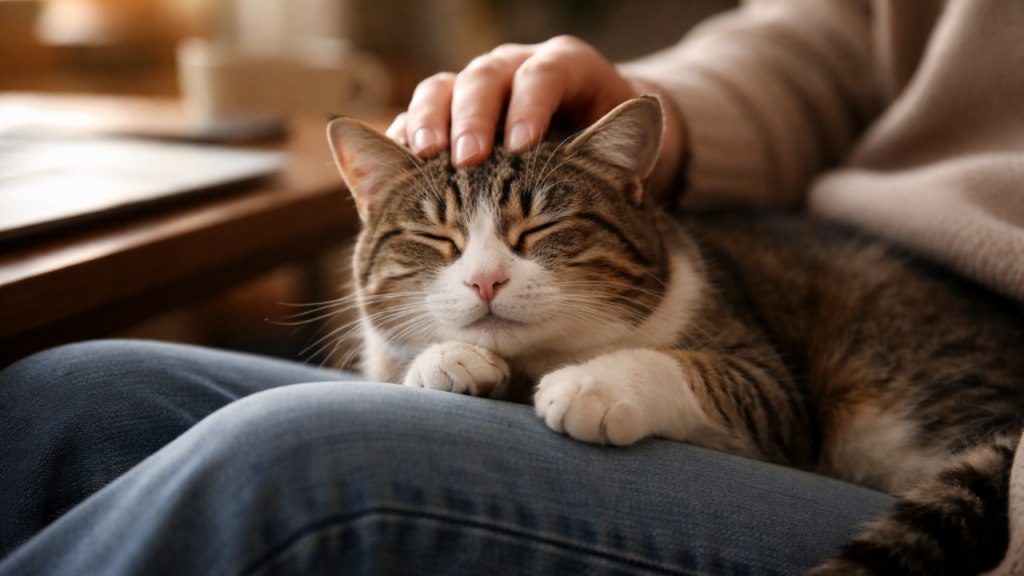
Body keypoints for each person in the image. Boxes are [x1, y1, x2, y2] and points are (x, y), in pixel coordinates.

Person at [2, 1, 1023, 574]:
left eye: (536, 241)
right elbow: (837, 43)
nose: (486, 274)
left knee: (293, 463)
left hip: (952, 429)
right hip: (824, 233)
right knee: (70, 393)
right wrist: (636, 106)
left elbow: (780, 405)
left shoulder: (698, 310)